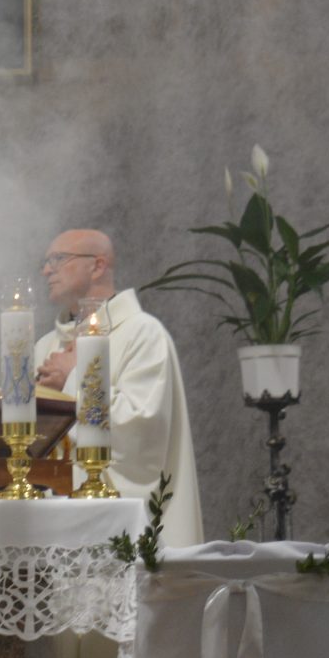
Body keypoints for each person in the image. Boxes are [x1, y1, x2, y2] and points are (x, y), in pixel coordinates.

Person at [33, 229, 202, 545]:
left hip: (121, 528)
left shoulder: (143, 333)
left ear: (97, 266)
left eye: (58, 259)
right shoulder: (46, 346)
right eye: (44, 262)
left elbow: (142, 430)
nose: (46, 271)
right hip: (53, 525)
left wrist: (73, 378)